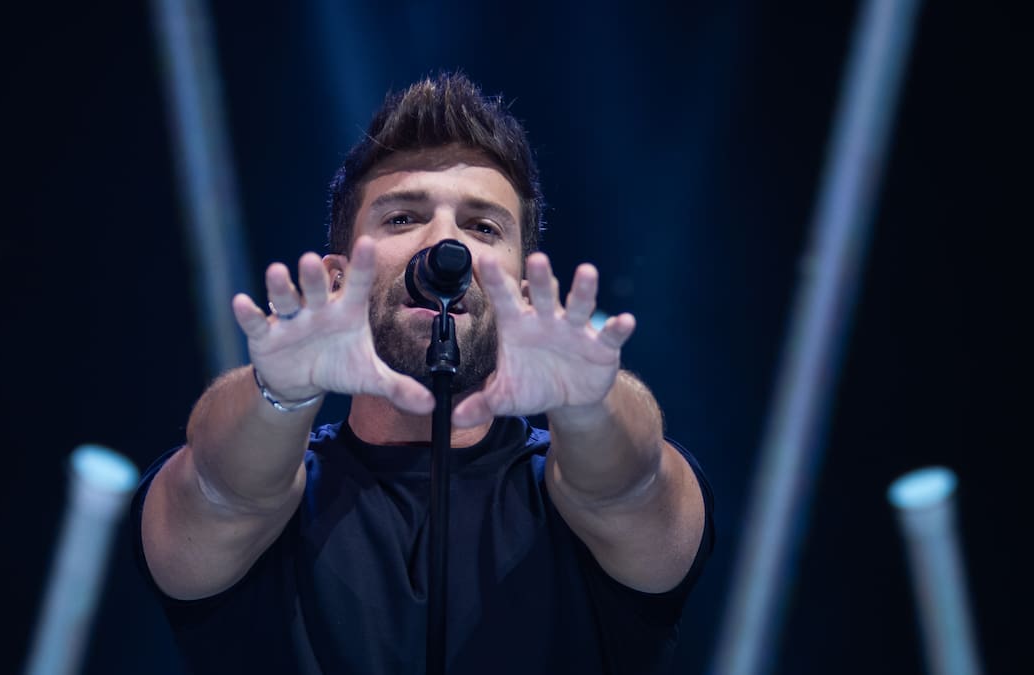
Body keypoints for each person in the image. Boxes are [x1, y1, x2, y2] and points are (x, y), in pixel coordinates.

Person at [133, 72, 714, 674]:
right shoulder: (282, 488)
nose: (444, 247)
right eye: (402, 219)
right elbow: (220, 489)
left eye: (482, 227)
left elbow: (631, 485)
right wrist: (279, 391)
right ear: (336, 280)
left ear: (523, 291)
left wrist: (588, 406)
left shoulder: (563, 487)